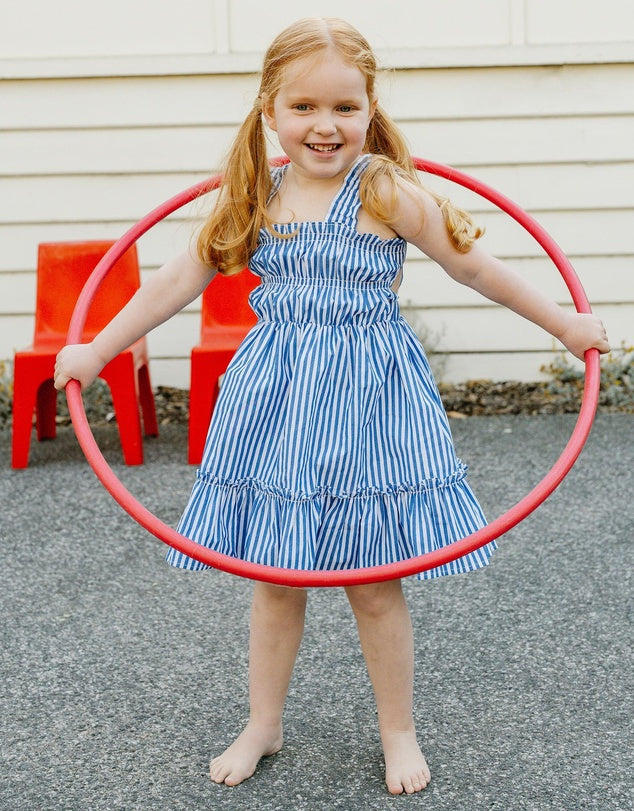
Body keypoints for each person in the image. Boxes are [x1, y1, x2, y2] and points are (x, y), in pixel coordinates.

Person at [54, 17, 610, 796]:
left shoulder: (384, 190)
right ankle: (263, 721)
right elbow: (175, 282)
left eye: (345, 107)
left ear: (370, 109)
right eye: (304, 107)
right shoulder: (253, 194)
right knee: (276, 576)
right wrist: (98, 349)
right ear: (269, 111)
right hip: (277, 404)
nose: (325, 125)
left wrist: (564, 325)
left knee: (374, 579)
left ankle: (398, 729)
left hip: (370, 405)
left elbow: (476, 269)